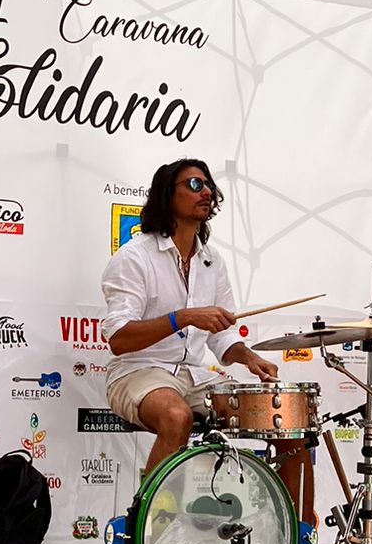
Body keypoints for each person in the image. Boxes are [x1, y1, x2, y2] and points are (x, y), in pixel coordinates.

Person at [101, 159, 277, 480]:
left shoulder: (212, 261)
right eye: (195, 184)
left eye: (208, 185)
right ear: (167, 195)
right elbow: (120, 339)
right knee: (175, 416)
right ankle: (148, 519)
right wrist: (181, 318)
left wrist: (249, 357)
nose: (206, 191)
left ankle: (293, 526)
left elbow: (222, 336)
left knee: (280, 417)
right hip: (137, 372)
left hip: (194, 377)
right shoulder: (134, 257)